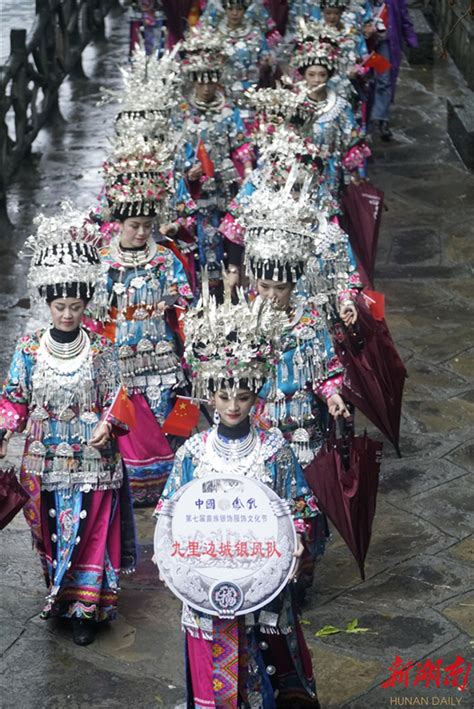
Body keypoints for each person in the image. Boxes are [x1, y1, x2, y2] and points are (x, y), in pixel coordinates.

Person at [154, 287, 321, 707]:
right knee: (211, 660)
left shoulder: (274, 449)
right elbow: (170, 512)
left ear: (255, 396)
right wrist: (168, 553)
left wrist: (296, 537)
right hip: (205, 576)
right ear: (209, 393)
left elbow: (298, 506)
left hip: (260, 575)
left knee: (263, 659)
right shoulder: (192, 452)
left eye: (243, 397)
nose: (232, 406)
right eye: (224, 396)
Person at [0, 204, 136, 646]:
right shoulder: (28, 348)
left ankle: (87, 607)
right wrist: (3, 430)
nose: (67, 315)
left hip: (94, 461)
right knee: (52, 533)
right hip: (43, 460)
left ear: (85, 303)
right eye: (60, 306)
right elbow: (14, 399)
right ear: (47, 303)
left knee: (90, 531)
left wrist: (110, 426)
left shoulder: (101, 349)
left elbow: (121, 400)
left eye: (75, 306)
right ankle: (59, 596)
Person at [98, 151, 193, 505]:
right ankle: (129, 489)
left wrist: (173, 303)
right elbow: (94, 315)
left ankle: (172, 485)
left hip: (162, 356)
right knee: (128, 428)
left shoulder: (165, 258)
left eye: (147, 226)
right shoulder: (105, 262)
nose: (141, 233)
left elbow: (185, 298)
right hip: (119, 359)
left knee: (171, 419)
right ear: (118, 224)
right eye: (134, 225)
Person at [174, 26, 254, 297]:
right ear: (194, 82)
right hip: (199, 193)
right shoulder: (184, 116)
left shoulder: (229, 112)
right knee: (203, 242)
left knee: (231, 236)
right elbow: (175, 155)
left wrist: (248, 171)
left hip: (227, 187)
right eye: (201, 82)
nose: (206, 87)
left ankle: (233, 288)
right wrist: (189, 172)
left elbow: (242, 144)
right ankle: (204, 292)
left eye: (211, 82)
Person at [291, 33, 369, 215]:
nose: (317, 80)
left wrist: (356, 173)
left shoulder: (340, 106)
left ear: (329, 76)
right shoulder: (293, 104)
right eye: (311, 74)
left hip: (330, 171)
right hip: (297, 171)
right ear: (303, 76)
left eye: (322, 75)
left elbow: (352, 138)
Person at [367, 0, 417, 140]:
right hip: (363, 44)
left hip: (384, 43)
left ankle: (381, 118)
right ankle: (365, 116)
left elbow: (404, 16)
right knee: (366, 79)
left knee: (384, 79)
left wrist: (410, 38)